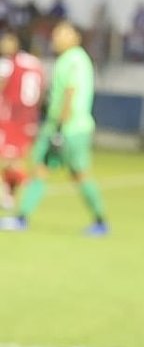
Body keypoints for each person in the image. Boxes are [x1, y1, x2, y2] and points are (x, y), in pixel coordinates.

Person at [1, 21, 108, 235]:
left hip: (68, 128)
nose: (56, 37)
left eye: (62, 33)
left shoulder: (73, 59)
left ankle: (100, 220)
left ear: (76, 37)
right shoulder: (72, 59)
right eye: (56, 33)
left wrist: (59, 129)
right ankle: (22, 217)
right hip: (67, 126)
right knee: (42, 170)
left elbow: (70, 91)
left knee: (76, 174)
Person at [0, 32, 44, 211]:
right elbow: (41, 91)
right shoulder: (35, 63)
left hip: (10, 117)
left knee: (10, 160)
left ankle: (28, 182)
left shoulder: (8, 63)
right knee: (14, 159)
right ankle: (9, 196)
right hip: (28, 118)